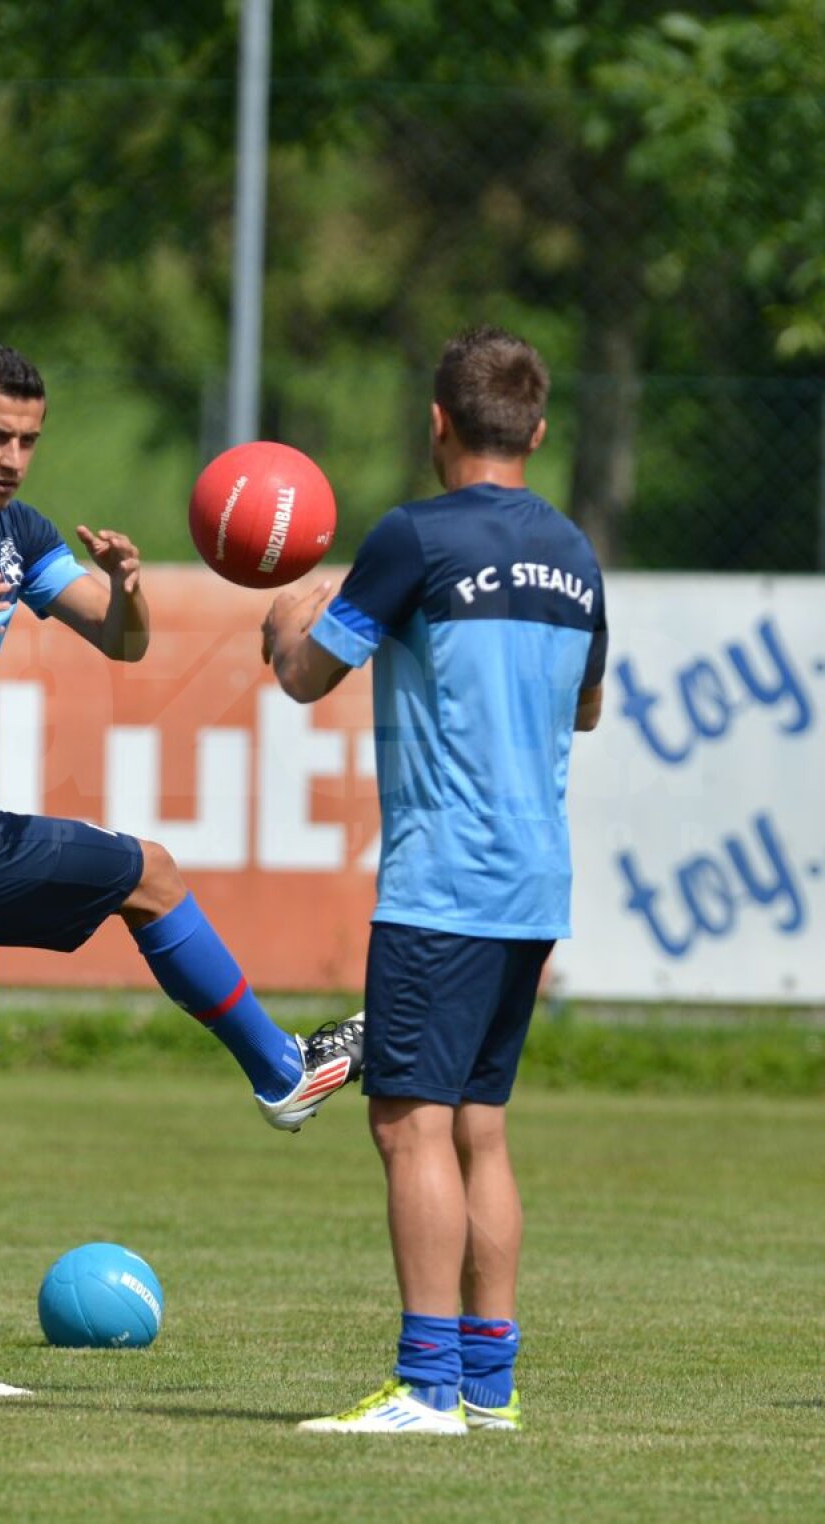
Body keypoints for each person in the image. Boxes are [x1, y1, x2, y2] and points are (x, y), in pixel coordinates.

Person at [0, 345, 364, 1399]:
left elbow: (121, 642)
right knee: (149, 871)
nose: (13, 459)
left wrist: (132, 590)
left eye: (29, 440)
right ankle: (280, 1070)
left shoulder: (19, 534)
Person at [261, 327, 605, 1435]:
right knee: (481, 1127)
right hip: (534, 881)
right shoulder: (575, 555)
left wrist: (283, 624)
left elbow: (310, 676)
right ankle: (490, 1390)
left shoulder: (414, 537)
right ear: (538, 432)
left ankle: (425, 1389)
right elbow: (587, 709)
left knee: (408, 1124)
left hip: (443, 881)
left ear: (438, 422)